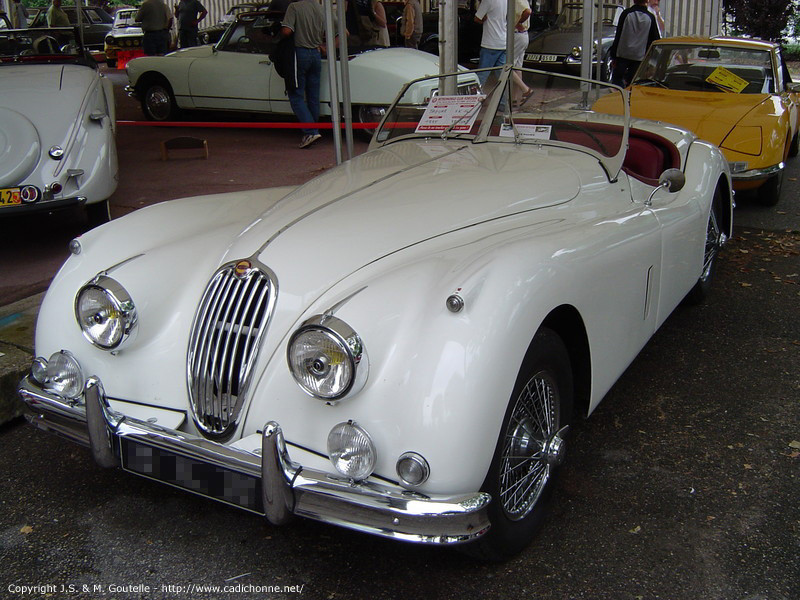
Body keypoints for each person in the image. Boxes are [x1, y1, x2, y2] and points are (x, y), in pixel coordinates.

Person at [279, 0, 335, 148]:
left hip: (300, 53)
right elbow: (344, 32)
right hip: (316, 54)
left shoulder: (294, 7)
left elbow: (287, 31)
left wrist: (281, 27)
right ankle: (313, 130)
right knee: (313, 97)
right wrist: (325, 47)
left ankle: (310, 131)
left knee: (296, 95)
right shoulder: (322, 9)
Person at [609, 0, 659, 88]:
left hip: (622, 55)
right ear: (646, 1)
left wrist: (613, 56)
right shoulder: (650, 17)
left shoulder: (626, 14)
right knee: (633, 83)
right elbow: (655, 39)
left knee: (617, 82)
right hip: (639, 58)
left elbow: (618, 35)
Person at [474, 0, 507, 87]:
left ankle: (477, 99)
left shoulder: (488, 1)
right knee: (502, 77)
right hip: (503, 41)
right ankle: (503, 100)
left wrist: (484, 18)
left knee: (482, 75)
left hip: (490, 42)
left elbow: (477, 18)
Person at [512, 0, 533, 106]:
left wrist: (518, 23)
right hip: (524, 35)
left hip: (517, 34)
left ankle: (526, 90)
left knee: (506, 66)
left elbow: (528, 11)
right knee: (517, 67)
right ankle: (514, 99)